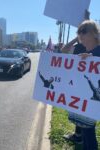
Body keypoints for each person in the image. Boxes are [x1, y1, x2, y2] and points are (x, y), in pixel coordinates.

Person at [66, 20, 100, 150]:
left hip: (94, 101)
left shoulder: (96, 51)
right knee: (87, 132)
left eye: (83, 34)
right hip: (89, 99)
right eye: (79, 35)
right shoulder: (91, 51)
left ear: (94, 34)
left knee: (89, 132)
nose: (81, 39)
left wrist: (91, 58)